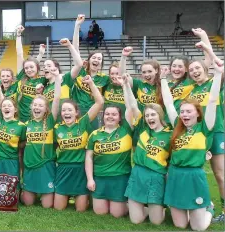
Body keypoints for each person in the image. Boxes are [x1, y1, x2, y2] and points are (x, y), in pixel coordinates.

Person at [160, 54, 223, 230]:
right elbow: (168, 103)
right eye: (183, 112)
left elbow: (211, 100)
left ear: (197, 113)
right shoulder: (177, 126)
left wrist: (217, 75)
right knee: (180, 225)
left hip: (194, 177)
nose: (185, 115)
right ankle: (190, 209)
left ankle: (208, 208)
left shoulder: (205, 127)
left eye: (189, 111)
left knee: (198, 228)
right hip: (175, 175)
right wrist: (163, 79)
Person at [122, 72, 171, 225]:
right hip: (139, 173)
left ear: (160, 115)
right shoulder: (143, 128)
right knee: (136, 220)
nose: (150, 118)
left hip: (157, 176)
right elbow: (131, 105)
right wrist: (126, 86)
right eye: (147, 115)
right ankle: (134, 204)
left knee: (156, 222)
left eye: (153, 115)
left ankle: (158, 207)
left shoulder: (169, 134)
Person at [53, 74, 104, 211]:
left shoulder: (83, 122)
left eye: (69, 110)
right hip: (63, 169)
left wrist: (91, 83)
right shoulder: (57, 127)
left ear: (76, 113)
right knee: (58, 208)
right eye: (64, 110)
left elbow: (99, 102)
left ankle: (86, 198)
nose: (66, 112)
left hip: (80, 170)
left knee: (81, 210)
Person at [20, 61, 62, 208]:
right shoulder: (26, 124)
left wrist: (57, 79)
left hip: (45, 166)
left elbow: (56, 99)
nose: (37, 108)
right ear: (31, 108)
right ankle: (22, 189)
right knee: (28, 203)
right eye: (35, 105)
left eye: (40, 106)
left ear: (46, 109)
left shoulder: (50, 120)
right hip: (30, 166)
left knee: (46, 206)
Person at [85, 103, 133, 217]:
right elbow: (89, 157)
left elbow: (131, 108)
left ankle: (137, 208)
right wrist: (90, 179)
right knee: (100, 212)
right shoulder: (94, 134)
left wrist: (125, 86)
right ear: (103, 116)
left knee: (117, 214)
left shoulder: (126, 130)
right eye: (107, 114)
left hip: (119, 177)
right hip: (100, 177)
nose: (110, 116)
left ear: (120, 117)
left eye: (114, 114)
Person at [0, 69, 27, 179]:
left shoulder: (21, 126)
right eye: (4, 106)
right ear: (1, 109)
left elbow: (23, 143)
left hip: (11, 161)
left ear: (15, 110)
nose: (6, 107)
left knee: (11, 191)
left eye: (9, 106)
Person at [15, 25, 47, 123]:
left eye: (31, 68)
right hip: (21, 117)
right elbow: (20, 54)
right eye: (26, 68)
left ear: (37, 68)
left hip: (37, 117)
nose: (29, 70)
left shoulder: (42, 80)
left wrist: (41, 54)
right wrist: (18, 35)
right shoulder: (22, 77)